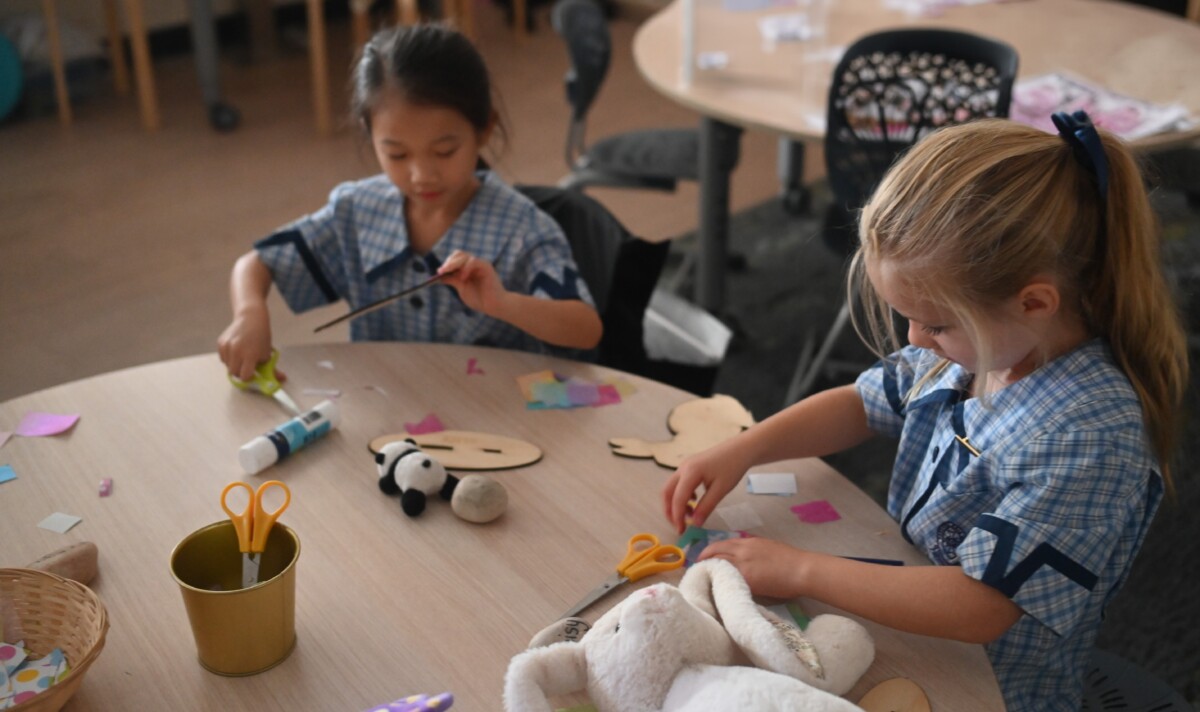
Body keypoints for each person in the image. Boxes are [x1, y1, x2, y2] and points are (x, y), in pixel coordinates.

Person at [662, 114, 1189, 711]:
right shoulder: (987, 345)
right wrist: (746, 446)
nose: (914, 340)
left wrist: (801, 571)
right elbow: (863, 402)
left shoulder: (1087, 437)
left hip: (989, 688)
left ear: (1034, 303)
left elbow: (982, 605)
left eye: (935, 324)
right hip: (905, 620)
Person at [218, 24, 601, 381]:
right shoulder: (356, 211)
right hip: (388, 410)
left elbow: (586, 328)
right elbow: (257, 263)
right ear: (370, 135)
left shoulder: (522, 229)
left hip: (495, 419)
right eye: (397, 155)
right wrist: (249, 314)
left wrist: (502, 303)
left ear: (484, 128)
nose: (422, 175)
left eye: (445, 151)